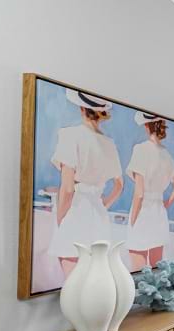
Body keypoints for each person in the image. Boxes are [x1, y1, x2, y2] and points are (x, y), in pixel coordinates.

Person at [49, 89, 123, 277]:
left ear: (82, 108)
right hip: (99, 215)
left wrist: (61, 219)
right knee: (95, 281)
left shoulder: (70, 135)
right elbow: (119, 185)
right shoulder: (109, 143)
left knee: (74, 285)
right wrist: (103, 204)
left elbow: (67, 189)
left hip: (75, 212)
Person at [126, 111, 174, 270]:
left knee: (138, 273)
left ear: (146, 125)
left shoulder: (141, 149)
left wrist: (132, 221)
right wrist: (166, 204)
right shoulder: (166, 154)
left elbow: (139, 193)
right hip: (159, 213)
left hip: (143, 212)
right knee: (157, 270)